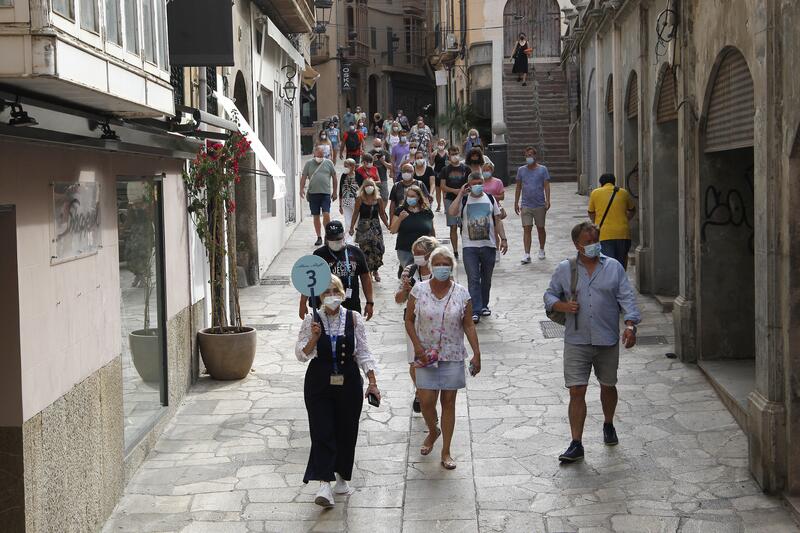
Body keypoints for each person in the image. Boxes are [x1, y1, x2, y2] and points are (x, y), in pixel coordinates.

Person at [543, 222, 641, 464]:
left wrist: (630, 325)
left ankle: (608, 423)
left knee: (608, 385)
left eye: (596, 240)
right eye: (588, 242)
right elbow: (549, 294)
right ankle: (576, 443)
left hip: (607, 339)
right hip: (576, 340)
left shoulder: (614, 267)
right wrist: (562, 305)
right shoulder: (565, 269)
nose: (593, 245)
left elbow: (627, 297)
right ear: (577, 245)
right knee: (576, 390)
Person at [295, 275, 380, 508]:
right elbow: (301, 355)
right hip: (319, 381)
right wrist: (314, 338)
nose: (331, 296)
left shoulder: (353, 318)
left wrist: (372, 382)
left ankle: (342, 475)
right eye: (326, 292)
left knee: (346, 429)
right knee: (321, 429)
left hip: (348, 380)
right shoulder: (312, 320)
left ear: (342, 294)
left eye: (335, 291)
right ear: (320, 297)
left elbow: (363, 351)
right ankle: (324, 483)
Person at [405, 246, 481, 470]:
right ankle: (433, 430)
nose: (441, 268)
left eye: (445, 264)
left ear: (451, 267)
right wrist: (416, 346)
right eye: (437, 264)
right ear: (431, 266)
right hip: (426, 354)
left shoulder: (462, 293)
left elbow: (468, 324)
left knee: (448, 403)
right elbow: (409, 319)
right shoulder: (418, 290)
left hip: (452, 354)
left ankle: (446, 450)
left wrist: (477, 353)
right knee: (426, 401)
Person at [448, 172, 508, 323]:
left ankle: (483, 305)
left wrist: (503, 239)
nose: (477, 186)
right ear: (468, 184)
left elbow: (498, 220)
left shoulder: (490, 199)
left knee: (486, 279)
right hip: (470, 247)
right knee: (473, 278)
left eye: (480, 183)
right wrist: (460, 194)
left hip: (489, 245)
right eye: (474, 183)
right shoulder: (464, 200)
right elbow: (452, 212)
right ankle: (475, 309)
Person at [395, 236, 439, 414]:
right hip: (413, 322)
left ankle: (430, 395)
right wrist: (405, 290)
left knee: (434, 361)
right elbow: (398, 299)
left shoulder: (439, 269)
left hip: (435, 324)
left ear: (430, 254)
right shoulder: (410, 270)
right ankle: (421, 392)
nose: (416, 256)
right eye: (414, 253)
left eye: (420, 253)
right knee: (414, 362)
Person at [299, 221, 375, 320]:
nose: (335, 241)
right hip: (325, 305)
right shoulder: (319, 255)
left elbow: (365, 278)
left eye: (338, 238)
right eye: (332, 239)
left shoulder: (356, 252)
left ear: (343, 236)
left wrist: (370, 302)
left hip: (350, 304)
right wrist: (302, 303)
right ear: (327, 238)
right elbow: (310, 280)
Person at [587, 173, 636, 270]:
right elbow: (632, 210)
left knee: (608, 264)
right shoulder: (624, 192)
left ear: (601, 183)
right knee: (621, 262)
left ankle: (612, 279)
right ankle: (621, 278)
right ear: (614, 182)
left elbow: (591, 212)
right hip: (623, 233)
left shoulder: (595, 193)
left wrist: (596, 222)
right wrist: (626, 219)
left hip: (605, 234)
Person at [514, 146, 551, 263]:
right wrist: (516, 202)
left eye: (530, 155)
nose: (528, 157)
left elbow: (546, 185)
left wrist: (548, 200)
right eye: (526, 155)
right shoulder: (521, 170)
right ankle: (527, 253)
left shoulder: (543, 170)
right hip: (526, 204)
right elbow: (518, 187)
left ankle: (542, 249)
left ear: (535, 156)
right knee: (527, 228)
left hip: (539, 203)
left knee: (540, 228)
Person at [349, 179, 390, 282]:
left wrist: (388, 225)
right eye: (366, 186)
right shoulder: (359, 199)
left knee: (378, 249)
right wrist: (351, 227)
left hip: (375, 228)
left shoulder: (378, 199)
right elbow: (355, 213)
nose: (369, 188)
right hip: (363, 228)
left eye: (371, 185)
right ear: (363, 188)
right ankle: (369, 271)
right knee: (365, 250)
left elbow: (382, 213)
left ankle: (376, 270)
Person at [390, 184, 435, 271]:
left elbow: (432, 231)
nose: (410, 198)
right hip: (405, 250)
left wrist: (434, 246)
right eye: (408, 196)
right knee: (410, 273)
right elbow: (393, 230)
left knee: (423, 272)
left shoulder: (427, 212)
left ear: (419, 197)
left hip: (424, 250)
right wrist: (400, 219)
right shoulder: (400, 211)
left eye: (413, 196)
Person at [300, 146, 338, 246]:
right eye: (318, 155)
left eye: (322, 155)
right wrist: (301, 189)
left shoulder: (329, 163)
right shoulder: (308, 163)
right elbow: (303, 177)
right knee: (316, 216)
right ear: (314, 154)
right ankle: (319, 237)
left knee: (326, 214)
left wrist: (335, 192)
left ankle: (327, 235)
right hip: (313, 193)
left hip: (325, 193)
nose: (320, 157)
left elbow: (334, 177)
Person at [438, 146, 469, 259]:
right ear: (449, 155)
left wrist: (462, 192)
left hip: (463, 200)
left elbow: (469, 183)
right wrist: (454, 191)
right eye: (452, 154)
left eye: (456, 153)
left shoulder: (466, 168)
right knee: (453, 226)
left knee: (463, 225)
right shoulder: (445, 170)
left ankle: (466, 247)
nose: (455, 156)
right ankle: (455, 250)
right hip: (450, 199)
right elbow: (442, 186)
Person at [338, 159, 361, 244]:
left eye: (346, 166)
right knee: (348, 222)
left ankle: (357, 239)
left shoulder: (358, 176)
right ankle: (348, 240)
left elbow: (362, 189)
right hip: (346, 201)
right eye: (344, 166)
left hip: (356, 201)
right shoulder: (343, 176)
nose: (345, 168)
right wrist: (340, 205)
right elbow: (340, 191)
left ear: (353, 166)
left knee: (357, 221)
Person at [369, 138, 392, 204]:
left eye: (379, 146)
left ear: (381, 144)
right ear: (373, 145)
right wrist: (372, 160)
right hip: (372, 179)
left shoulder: (386, 153)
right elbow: (365, 167)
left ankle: (382, 210)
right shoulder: (369, 153)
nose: (378, 148)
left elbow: (390, 166)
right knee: (372, 198)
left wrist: (383, 162)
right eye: (376, 146)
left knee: (385, 197)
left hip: (383, 179)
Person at [432, 139, 449, 211]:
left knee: (445, 191)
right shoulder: (435, 153)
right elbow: (431, 163)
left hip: (445, 174)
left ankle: (445, 207)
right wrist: (432, 156)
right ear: (437, 144)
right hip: (437, 173)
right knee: (438, 191)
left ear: (444, 144)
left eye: (442, 143)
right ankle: (438, 205)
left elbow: (449, 162)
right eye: (439, 143)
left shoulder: (447, 153)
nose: (441, 145)